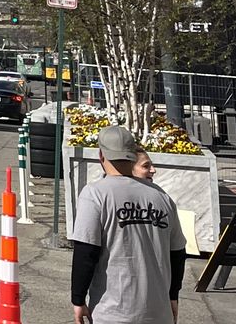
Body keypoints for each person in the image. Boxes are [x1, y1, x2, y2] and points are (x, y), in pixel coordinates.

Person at [70, 126, 185, 323]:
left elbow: (85, 251)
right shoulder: (162, 197)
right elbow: (177, 253)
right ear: (132, 156)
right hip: (158, 311)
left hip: (113, 311)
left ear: (101, 155)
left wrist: (78, 299)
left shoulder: (95, 194)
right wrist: (173, 295)